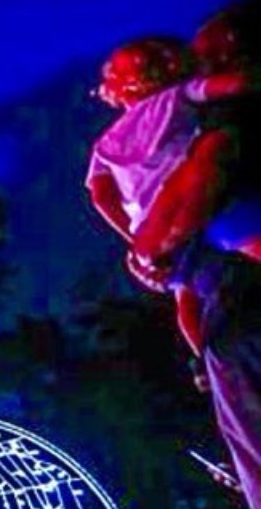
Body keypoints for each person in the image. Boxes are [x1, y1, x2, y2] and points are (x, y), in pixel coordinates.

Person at [126, 0, 261, 509]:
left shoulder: (229, 115)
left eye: (209, 52)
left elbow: (203, 173)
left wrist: (155, 244)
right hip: (223, 312)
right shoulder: (194, 133)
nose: (198, 61)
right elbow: (186, 180)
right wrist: (152, 245)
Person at [86, 35, 258, 350]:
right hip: (207, 203)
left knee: (189, 303)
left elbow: (100, 196)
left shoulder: (104, 145)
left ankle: (202, 363)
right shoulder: (177, 96)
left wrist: (137, 241)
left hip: (164, 243)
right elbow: (232, 85)